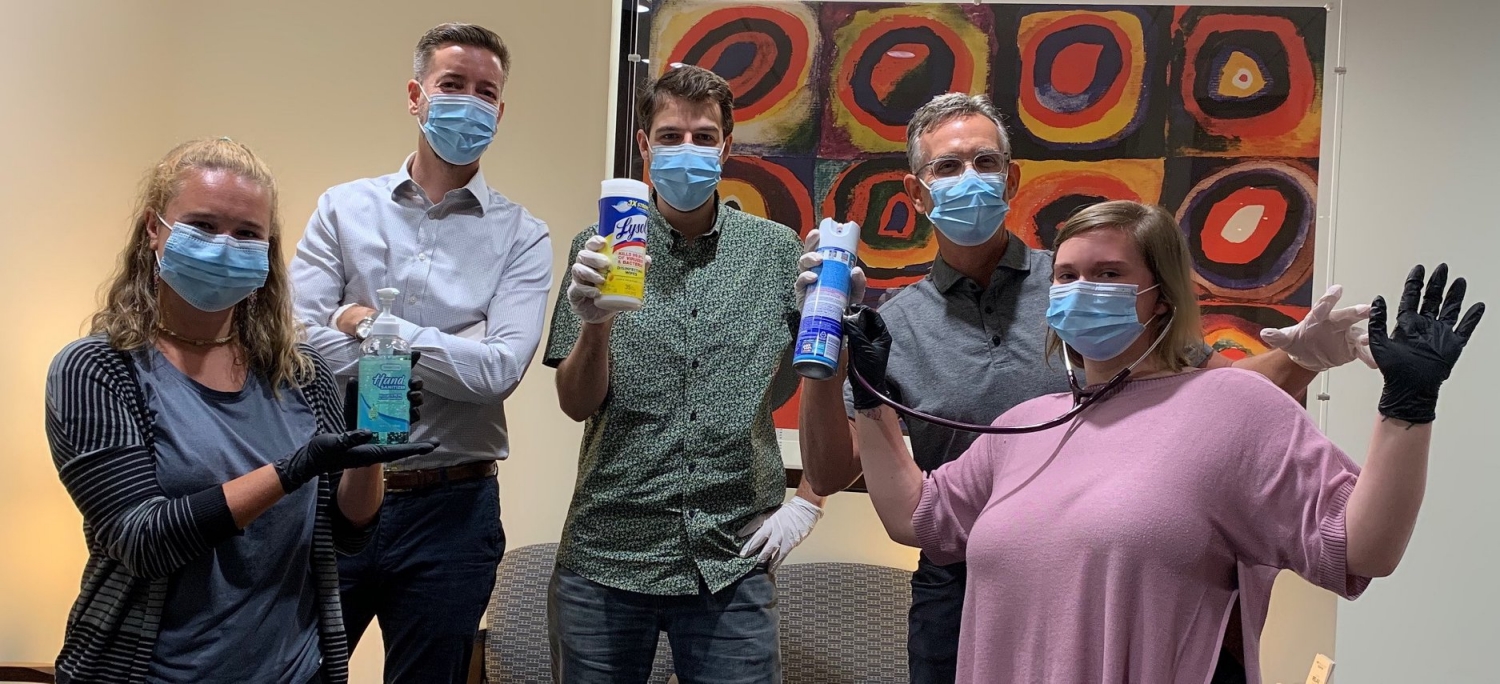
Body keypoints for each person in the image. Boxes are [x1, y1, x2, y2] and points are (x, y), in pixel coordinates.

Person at [796, 93, 1374, 684]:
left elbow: (1213, 397)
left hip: (1104, 568)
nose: (969, 179)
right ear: (917, 193)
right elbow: (831, 471)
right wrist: (827, 354)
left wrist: (1301, 358)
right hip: (964, 577)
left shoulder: (1086, 280)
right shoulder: (893, 326)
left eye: (985, 162)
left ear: (1010, 178)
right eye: (947, 166)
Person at [842, 199, 1483, 683]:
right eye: (1066, 276)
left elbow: (1363, 548)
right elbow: (913, 515)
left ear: (1161, 296)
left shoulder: (1233, 406)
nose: (1080, 290)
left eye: (1108, 272)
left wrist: (1407, 409)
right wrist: (869, 396)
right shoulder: (1022, 427)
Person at [44, 138, 436, 684]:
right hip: (151, 671)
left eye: (248, 234)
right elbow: (142, 541)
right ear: (155, 229)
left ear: (268, 251)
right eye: (203, 225)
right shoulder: (99, 369)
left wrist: (364, 456)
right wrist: (291, 470)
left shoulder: (301, 374)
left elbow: (347, 536)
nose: (225, 246)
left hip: (296, 670)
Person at [544, 64, 827, 684]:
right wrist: (595, 324)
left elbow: (831, 379)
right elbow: (575, 403)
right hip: (607, 553)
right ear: (645, 145)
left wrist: (808, 503)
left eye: (704, 136)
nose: (687, 149)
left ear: (726, 147)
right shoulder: (600, 246)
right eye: (671, 136)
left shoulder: (775, 252)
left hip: (731, 559)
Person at [289, 23, 552, 683]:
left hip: (451, 511)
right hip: (329, 493)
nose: (470, 102)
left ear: (500, 111)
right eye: (452, 84)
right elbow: (295, 345)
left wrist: (367, 323)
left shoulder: (523, 236)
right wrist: (452, 348)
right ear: (416, 95)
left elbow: (496, 374)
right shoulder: (342, 209)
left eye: (485, 92)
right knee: (297, 673)